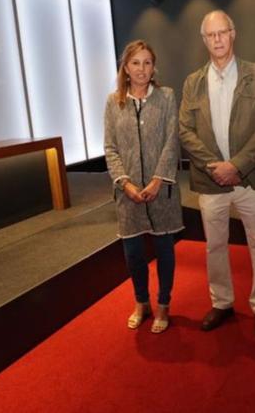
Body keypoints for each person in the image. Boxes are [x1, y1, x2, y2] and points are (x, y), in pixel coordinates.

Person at [179, 10, 255, 338]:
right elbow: (185, 130)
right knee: (214, 245)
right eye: (211, 35)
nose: (217, 40)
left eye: (223, 33)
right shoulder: (193, 82)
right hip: (210, 181)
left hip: (251, 176)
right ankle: (221, 302)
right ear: (204, 40)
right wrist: (214, 167)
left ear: (233, 34)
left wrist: (236, 165)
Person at [104, 39, 184, 334]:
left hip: (161, 190)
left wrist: (156, 180)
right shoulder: (114, 102)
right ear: (125, 67)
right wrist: (124, 183)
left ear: (154, 67)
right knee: (133, 252)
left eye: (147, 62)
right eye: (135, 63)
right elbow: (110, 147)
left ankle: (163, 304)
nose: (142, 69)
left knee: (164, 249)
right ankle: (142, 302)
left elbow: (170, 141)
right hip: (128, 195)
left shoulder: (166, 96)